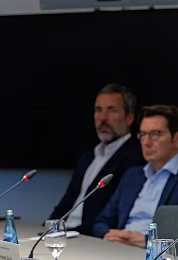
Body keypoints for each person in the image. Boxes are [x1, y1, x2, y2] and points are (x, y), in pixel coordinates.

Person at [92, 105, 178, 247]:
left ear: (177, 138)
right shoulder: (132, 176)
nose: (146, 142)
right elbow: (101, 221)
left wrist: (148, 241)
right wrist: (108, 234)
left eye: (155, 134)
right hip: (119, 248)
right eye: (143, 134)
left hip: (157, 256)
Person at [50, 83, 144, 234]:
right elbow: (67, 201)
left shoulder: (135, 157)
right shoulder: (88, 157)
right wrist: (47, 229)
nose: (103, 118)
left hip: (87, 237)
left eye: (112, 110)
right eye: (98, 110)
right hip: (63, 234)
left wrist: (72, 233)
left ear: (129, 118)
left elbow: (111, 214)